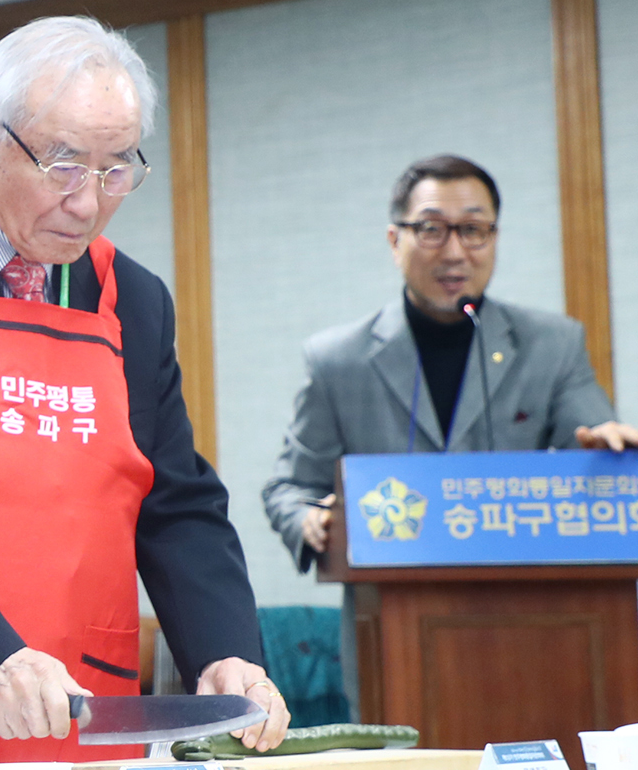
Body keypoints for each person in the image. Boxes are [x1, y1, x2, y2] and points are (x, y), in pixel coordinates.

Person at [0, 17, 288, 770]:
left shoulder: (134, 300)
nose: (87, 203)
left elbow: (177, 505)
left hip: (84, 719)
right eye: (62, 165)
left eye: (115, 169)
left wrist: (225, 652)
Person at [263, 153, 634, 570]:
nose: (454, 252)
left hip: (528, 610)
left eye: (473, 230)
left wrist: (611, 450)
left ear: (493, 239)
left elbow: (594, 457)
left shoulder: (553, 345)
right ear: (394, 241)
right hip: (390, 612)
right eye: (431, 230)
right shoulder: (337, 361)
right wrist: (310, 520)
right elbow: (290, 489)